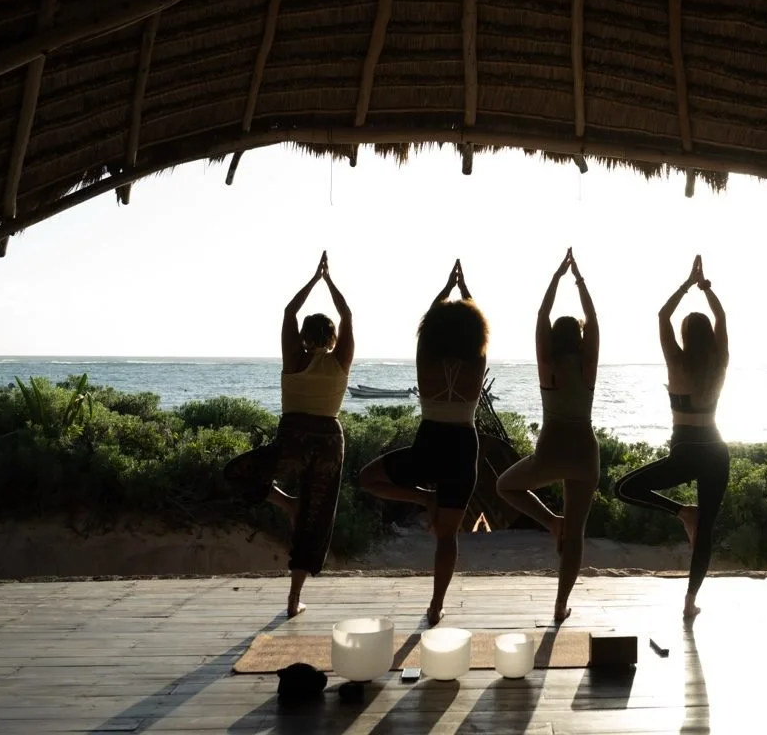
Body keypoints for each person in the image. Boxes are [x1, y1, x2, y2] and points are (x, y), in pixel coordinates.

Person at [223, 251, 353, 618]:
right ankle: (294, 600)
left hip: (294, 438)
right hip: (328, 441)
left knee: (237, 472)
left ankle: (283, 501)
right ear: (331, 338)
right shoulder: (340, 360)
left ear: (302, 337)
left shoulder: (293, 359)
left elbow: (288, 313)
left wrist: (313, 281)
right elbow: (347, 316)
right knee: (315, 520)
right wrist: (330, 283)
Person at [358, 259, 487, 625]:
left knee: (368, 478)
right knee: (446, 537)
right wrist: (465, 295)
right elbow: (479, 328)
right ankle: (436, 605)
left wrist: (445, 292)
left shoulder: (425, 361)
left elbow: (425, 329)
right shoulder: (477, 363)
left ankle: (421, 497)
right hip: (462, 447)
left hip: (429, 444)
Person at [614, 255, 729, 619]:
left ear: (684, 336)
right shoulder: (720, 360)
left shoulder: (676, 362)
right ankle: (689, 601)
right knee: (705, 531)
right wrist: (706, 289)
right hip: (714, 450)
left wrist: (686, 284)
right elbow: (722, 319)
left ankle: (682, 513)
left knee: (623, 488)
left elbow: (663, 316)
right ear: (709, 336)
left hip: (686, 452)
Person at [496, 248, 601, 624]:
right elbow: (595, 321)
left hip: (552, 450)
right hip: (585, 453)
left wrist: (557, 277)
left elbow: (542, 317)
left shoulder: (548, 366)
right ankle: (560, 605)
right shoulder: (588, 368)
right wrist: (579, 280)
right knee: (576, 535)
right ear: (581, 339)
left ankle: (549, 520)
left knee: (505, 486)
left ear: (555, 341)